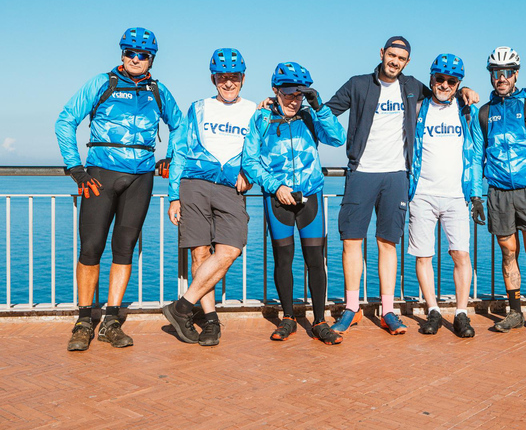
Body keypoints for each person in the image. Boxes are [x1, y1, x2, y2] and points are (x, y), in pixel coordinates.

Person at [324, 36, 479, 337]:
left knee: (388, 243)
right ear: (382, 53)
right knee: (351, 241)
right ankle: (351, 307)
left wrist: (468, 90)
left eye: (401, 58)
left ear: (407, 62)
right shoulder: (358, 84)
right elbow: (326, 112)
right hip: (362, 172)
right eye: (391, 55)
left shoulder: (412, 87)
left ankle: (388, 310)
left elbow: (446, 92)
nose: (395, 61)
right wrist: (281, 109)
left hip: (396, 175)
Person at [56, 27, 183, 351]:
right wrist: (75, 168)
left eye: (142, 55)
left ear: (151, 59)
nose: (136, 59)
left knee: (124, 248)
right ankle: (84, 320)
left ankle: (111, 320)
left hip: (141, 177)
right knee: (91, 247)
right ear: (122, 54)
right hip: (100, 174)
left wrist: (170, 156)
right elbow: (66, 119)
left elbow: (180, 125)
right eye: (130, 53)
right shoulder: (103, 83)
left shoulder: (158, 90)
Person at [241, 62, 346, 345]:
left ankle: (320, 322)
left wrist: (319, 106)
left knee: (315, 261)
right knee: (283, 260)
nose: (294, 100)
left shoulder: (311, 117)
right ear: (276, 90)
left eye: (300, 95)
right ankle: (288, 318)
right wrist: (276, 187)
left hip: (310, 198)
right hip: (279, 201)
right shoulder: (261, 119)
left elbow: (338, 138)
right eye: (288, 93)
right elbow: (249, 161)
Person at [162, 48, 256, 346]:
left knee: (230, 250)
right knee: (200, 254)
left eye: (234, 77)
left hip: (231, 188)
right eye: (222, 77)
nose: (228, 84)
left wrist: (251, 176)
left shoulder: (255, 110)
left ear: (243, 78)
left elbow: (260, 150)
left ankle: (181, 307)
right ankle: (211, 320)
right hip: (194, 183)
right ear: (213, 78)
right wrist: (174, 194)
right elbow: (178, 151)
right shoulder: (198, 108)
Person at [474, 46, 526, 336]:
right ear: (491, 75)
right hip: (498, 193)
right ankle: (514, 312)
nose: (502, 77)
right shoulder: (484, 114)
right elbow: (475, 157)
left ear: (516, 74)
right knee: (508, 252)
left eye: (507, 72)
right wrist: (475, 195)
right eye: (496, 72)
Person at [408, 54, 483, 338]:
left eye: (452, 81)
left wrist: (476, 194)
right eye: (440, 79)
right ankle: (433, 310)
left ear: (458, 84)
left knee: (460, 254)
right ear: (432, 79)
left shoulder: (467, 111)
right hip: (422, 194)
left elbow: (475, 154)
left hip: (455, 196)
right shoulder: (416, 110)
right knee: (424, 256)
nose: (445, 85)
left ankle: (462, 313)